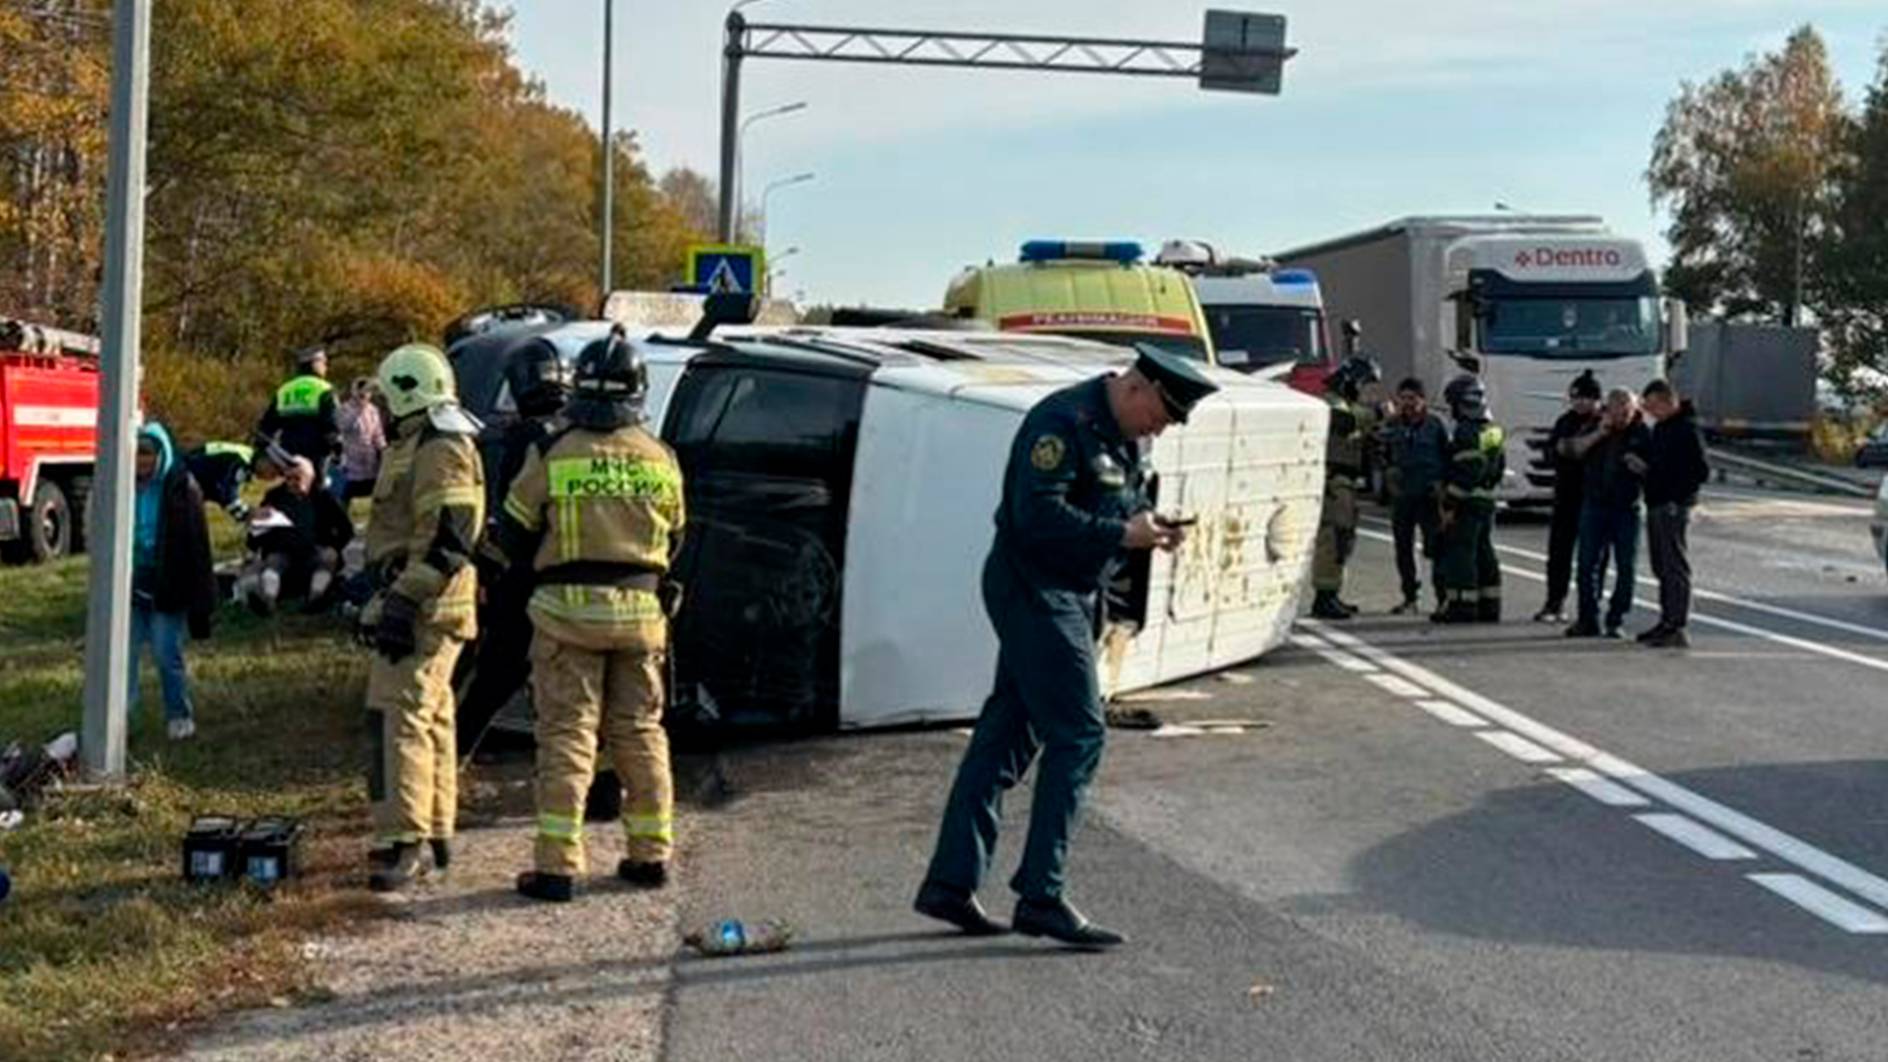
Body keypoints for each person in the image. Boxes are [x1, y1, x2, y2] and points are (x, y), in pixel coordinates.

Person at [914, 344, 1217, 949]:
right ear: (1136, 389)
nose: (1160, 428)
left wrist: (1149, 526)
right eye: (1159, 415)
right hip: (1034, 586)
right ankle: (1041, 895)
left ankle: (950, 885)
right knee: (1080, 732)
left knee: (1004, 736)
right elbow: (1035, 516)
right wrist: (1119, 533)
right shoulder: (1060, 423)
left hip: (1070, 591)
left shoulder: (1126, 437)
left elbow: (1119, 505)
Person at [482, 328, 685, 903]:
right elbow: (676, 538)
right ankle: (650, 856)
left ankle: (557, 868)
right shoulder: (660, 458)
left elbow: (516, 530)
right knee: (641, 733)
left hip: (565, 616)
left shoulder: (555, 451)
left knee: (567, 737)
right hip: (641, 616)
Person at [359, 343, 485, 892]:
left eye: (386, 398)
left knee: (399, 718)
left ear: (408, 392)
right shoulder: (422, 443)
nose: (381, 409)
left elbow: (450, 537)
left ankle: (407, 844)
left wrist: (403, 601)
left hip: (427, 605)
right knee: (431, 718)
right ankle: (433, 832)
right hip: (423, 599)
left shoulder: (442, 447)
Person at [461, 336, 571, 745]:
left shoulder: (528, 438)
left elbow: (514, 516)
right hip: (582, 579)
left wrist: (492, 564)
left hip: (529, 578)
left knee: (495, 677)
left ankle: (453, 757)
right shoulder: (582, 432)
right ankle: (604, 788)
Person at [130, 422, 217, 741]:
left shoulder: (182, 487)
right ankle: (119, 721)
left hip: (167, 584)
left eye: (148, 453)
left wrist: (202, 601)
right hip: (130, 585)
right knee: (122, 659)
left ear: (162, 453)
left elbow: (198, 547)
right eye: (136, 453)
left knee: (167, 654)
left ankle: (179, 715)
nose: (141, 461)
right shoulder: (121, 486)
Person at [1566, 387, 1652, 639]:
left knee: (1626, 566)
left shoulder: (1642, 433)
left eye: (1626, 412)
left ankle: (1616, 618)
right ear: (1607, 410)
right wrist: (1599, 434)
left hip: (1627, 507)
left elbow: (1657, 470)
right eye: (1616, 411)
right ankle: (1587, 618)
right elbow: (1572, 450)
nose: (1621, 417)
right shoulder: (1595, 427)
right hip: (1595, 504)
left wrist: (1642, 468)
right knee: (1586, 564)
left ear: (1635, 410)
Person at [1309, 355, 1384, 620]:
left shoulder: (1345, 403)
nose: (1363, 391)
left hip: (1345, 482)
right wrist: (1378, 413)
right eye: (1362, 384)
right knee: (1331, 539)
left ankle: (1333, 593)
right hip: (1332, 480)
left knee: (1343, 540)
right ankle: (1324, 597)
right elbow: (1345, 421)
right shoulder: (1331, 403)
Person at [1638, 379, 1709, 648]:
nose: (1651, 412)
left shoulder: (1686, 428)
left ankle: (1676, 624)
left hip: (1672, 505)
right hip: (1657, 501)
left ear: (1668, 401)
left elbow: (1700, 470)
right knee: (1661, 565)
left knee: (1673, 565)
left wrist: (1675, 495)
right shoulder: (1663, 427)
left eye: (1654, 406)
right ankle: (1666, 620)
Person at [1432, 374, 1505, 624]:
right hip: (1486, 500)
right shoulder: (1492, 429)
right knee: (1484, 553)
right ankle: (1490, 605)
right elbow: (1497, 467)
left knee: (1461, 554)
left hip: (1467, 503)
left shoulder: (1466, 431)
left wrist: (1450, 503)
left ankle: (1463, 605)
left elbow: (1466, 472)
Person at [238, 455, 353, 613]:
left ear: (309, 478)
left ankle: (316, 598)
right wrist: (254, 545)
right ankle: (268, 600)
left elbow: (345, 529)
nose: (292, 483)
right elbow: (258, 530)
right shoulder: (274, 497)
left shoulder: (323, 497)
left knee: (328, 557)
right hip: (282, 552)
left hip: (315, 551)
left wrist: (333, 546)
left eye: (297, 478)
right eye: (288, 479)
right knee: (272, 563)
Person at [1534, 371, 1602, 624]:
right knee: (1558, 554)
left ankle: (1591, 609)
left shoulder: (1603, 423)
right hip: (1565, 494)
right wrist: (1564, 450)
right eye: (1576, 398)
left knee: (1592, 558)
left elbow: (1581, 452)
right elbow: (1552, 452)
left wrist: (1571, 448)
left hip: (1593, 497)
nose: (1580, 403)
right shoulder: (1565, 421)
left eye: (1586, 398)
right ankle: (1554, 602)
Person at [1380, 377, 1450, 615]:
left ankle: (1443, 599)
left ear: (1423, 400)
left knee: (1436, 549)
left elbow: (1448, 456)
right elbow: (1382, 453)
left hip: (1429, 496)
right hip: (1403, 497)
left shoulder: (1436, 425)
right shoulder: (1393, 425)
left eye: (1413, 398)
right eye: (1404, 398)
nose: (1408, 403)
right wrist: (1389, 477)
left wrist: (1444, 491)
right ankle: (1410, 598)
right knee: (1403, 549)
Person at [256, 344, 340, 472]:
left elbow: (267, 426)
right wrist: (337, 449)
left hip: (289, 452)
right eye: (324, 362)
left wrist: (263, 449)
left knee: (292, 485)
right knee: (316, 488)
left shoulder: (285, 390)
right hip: (317, 452)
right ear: (314, 364)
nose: (326, 367)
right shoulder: (324, 389)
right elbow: (332, 424)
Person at [333, 377, 386, 500]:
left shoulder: (373, 410)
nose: (364, 395)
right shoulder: (344, 409)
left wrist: (384, 450)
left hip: (370, 462)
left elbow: (377, 434)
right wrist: (358, 410)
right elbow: (342, 426)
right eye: (361, 391)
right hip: (351, 463)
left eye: (367, 392)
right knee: (350, 495)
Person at [182, 440, 258, 522]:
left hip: (187, 470)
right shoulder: (241, 462)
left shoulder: (245, 454)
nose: (272, 476)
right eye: (273, 470)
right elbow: (226, 493)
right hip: (185, 482)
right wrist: (247, 514)